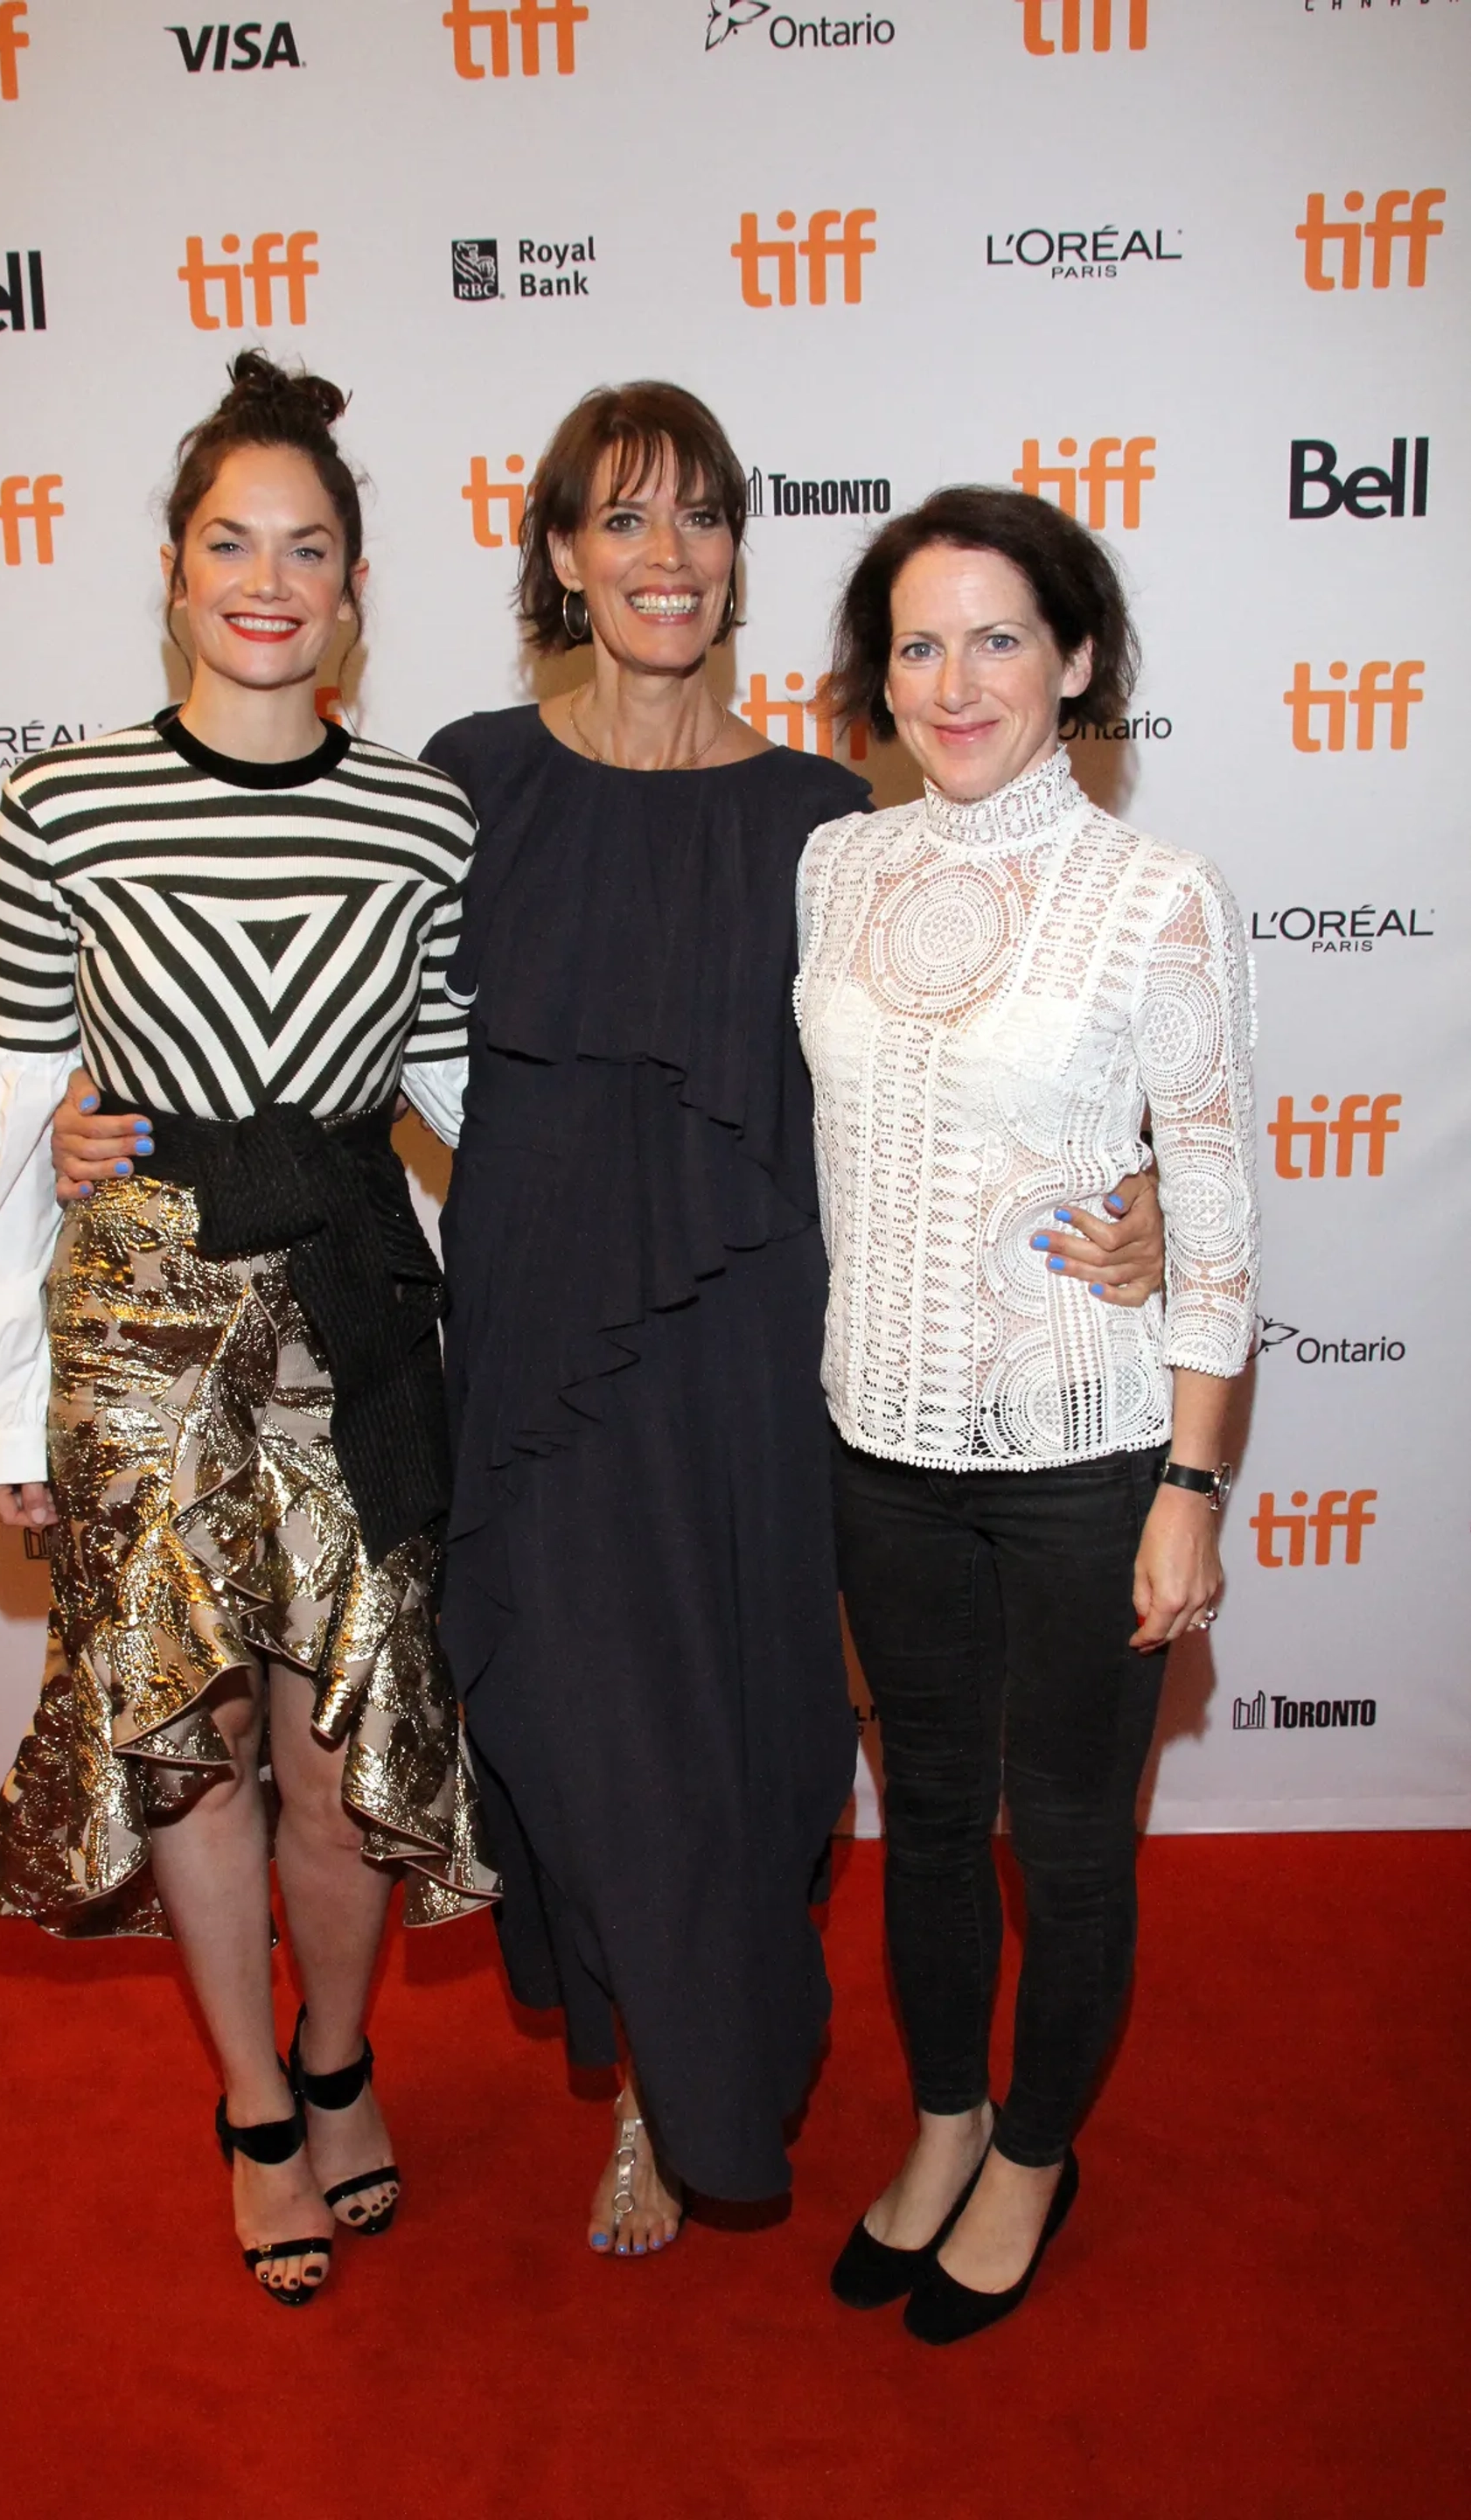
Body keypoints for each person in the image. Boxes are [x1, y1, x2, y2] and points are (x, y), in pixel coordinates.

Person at [47, 384, 1167, 2258]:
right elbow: (315, 1018)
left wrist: (1119, 1215)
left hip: (751, 1360)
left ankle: (670, 2087)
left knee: (738, 1741)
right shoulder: (463, 784)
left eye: (704, 516)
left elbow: (962, 1069)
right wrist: (123, 1121)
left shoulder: (833, 821)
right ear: (559, 556)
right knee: (562, 1729)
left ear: (740, 551)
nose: (670, 556)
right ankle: (627, 2034)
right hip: (537, 1347)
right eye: (624, 520)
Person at [0, 353, 497, 2308]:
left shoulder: (425, 819)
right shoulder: (58, 800)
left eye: (306, 549)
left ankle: (339, 2057)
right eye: (230, 540)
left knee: (338, 1759)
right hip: (140, 1336)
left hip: (352, 1324)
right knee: (194, 1745)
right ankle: (252, 2106)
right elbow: (2, 1107)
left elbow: (469, 1091)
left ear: (353, 588)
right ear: (172, 568)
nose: (267, 579)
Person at [803, 487, 1258, 2342]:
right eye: (918, 642)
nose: (955, 678)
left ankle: (1036, 2150)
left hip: (1082, 1456)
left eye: (1000, 637)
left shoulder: (1158, 893)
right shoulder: (839, 867)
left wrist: (1192, 1480)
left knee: (1065, 1841)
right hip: (875, 1446)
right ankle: (942, 2117)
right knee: (919, 1828)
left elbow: (1213, 1206)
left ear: (1076, 662)